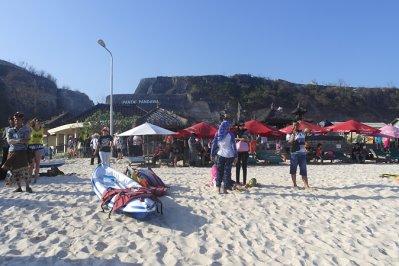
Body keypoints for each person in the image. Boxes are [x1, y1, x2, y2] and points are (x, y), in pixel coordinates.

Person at [1, 112, 32, 193]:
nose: (16, 120)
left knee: (24, 170)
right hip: (12, 151)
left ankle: (28, 187)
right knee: (14, 171)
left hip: (22, 151)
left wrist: (19, 141)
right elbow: (9, 141)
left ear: (22, 120)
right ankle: (19, 187)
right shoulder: (10, 130)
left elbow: (27, 140)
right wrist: (20, 140)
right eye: (15, 119)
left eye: (18, 119)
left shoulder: (26, 129)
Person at [211, 119, 237, 194]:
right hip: (230, 155)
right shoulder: (231, 134)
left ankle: (218, 188)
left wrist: (212, 154)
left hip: (221, 154)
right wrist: (236, 156)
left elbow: (214, 144)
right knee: (227, 172)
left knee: (219, 171)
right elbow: (234, 146)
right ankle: (225, 189)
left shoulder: (218, 134)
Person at [288, 122, 310, 189]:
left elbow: (307, 133)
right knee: (293, 169)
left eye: (297, 125)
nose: (295, 126)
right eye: (294, 125)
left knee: (303, 169)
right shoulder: (290, 134)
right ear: (292, 126)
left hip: (302, 154)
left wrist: (306, 145)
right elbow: (290, 142)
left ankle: (306, 185)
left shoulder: (302, 133)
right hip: (294, 154)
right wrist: (294, 134)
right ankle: (294, 184)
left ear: (299, 126)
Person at [28, 118, 45, 183]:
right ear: (34, 123)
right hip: (31, 147)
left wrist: (47, 134)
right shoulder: (31, 129)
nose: (38, 122)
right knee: (31, 164)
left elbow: (48, 133)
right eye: (37, 121)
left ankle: (35, 179)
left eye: (39, 121)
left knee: (37, 164)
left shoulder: (42, 129)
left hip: (39, 146)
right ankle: (29, 179)